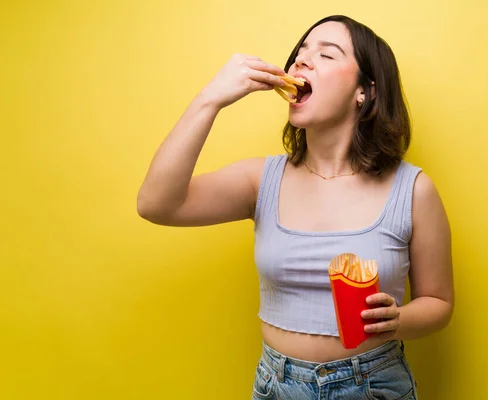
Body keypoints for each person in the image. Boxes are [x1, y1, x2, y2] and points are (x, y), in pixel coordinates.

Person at [137, 14, 453, 400]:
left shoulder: (413, 190)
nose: (301, 61)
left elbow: (438, 303)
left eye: (326, 54)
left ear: (365, 92)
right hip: (277, 386)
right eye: (300, 52)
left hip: (373, 385)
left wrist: (398, 320)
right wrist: (211, 99)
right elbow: (156, 204)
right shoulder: (261, 181)